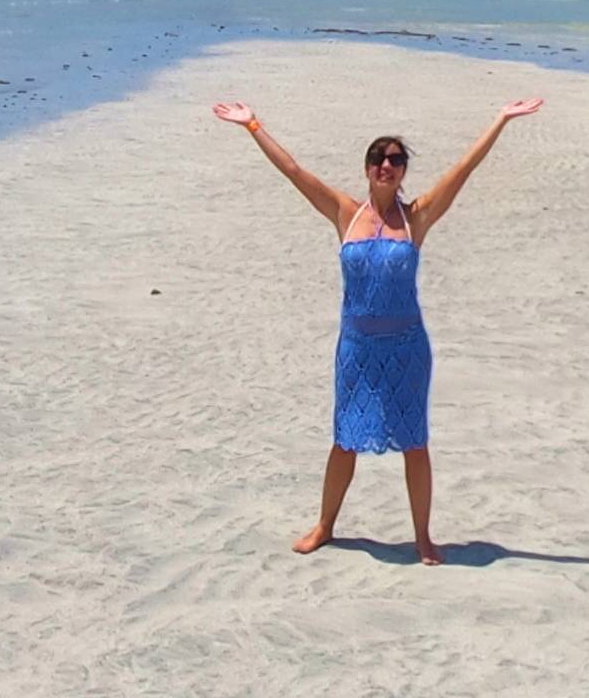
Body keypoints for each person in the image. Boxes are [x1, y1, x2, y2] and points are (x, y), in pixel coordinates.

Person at [209, 94, 545, 564]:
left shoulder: (417, 217)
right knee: (345, 440)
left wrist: (501, 120)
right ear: (367, 167)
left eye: (396, 160)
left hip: (407, 348)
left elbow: (463, 170)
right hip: (358, 348)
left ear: (404, 170)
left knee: (414, 441)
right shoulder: (345, 214)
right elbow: (294, 171)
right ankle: (325, 525)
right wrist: (253, 126)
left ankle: (423, 536)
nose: (386, 165)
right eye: (378, 158)